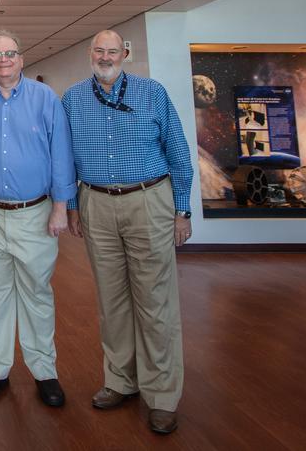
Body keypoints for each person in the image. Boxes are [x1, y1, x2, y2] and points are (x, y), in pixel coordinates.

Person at [61, 30, 194, 435]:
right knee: (112, 299)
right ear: (89, 53)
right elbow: (65, 157)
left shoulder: (152, 92)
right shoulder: (72, 98)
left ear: (125, 54)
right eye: (99, 50)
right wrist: (71, 206)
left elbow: (179, 153)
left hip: (148, 200)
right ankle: (121, 380)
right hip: (96, 203)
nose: (105, 56)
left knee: (155, 301)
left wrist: (183, 209)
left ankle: (162, 395)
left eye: (112, 51)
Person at [0, 31, 75, 407]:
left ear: (21, 59)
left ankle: (44, 371)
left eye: (10, 53)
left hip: (34, 213)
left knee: (36, 293)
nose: (3, 60)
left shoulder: (45, 100)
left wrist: (60, 206)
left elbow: (61, 154)